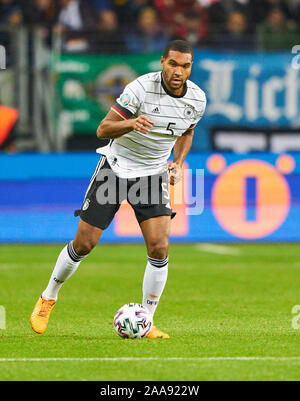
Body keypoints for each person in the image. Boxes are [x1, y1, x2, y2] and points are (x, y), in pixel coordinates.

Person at [30, 40, 207, 339]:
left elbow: (187, 130)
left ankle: (146, 321)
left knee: (159, 247)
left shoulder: (198, 99)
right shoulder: (139, 88)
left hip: (152, 174)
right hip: (116, 167)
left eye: (185, 66)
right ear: (163, 61)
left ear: (191, 67)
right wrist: (132, 123)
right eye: (173, 64)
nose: (178, 71)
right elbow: (103, 129)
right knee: (84, 243)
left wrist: (177, 161)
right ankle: (48, 297)